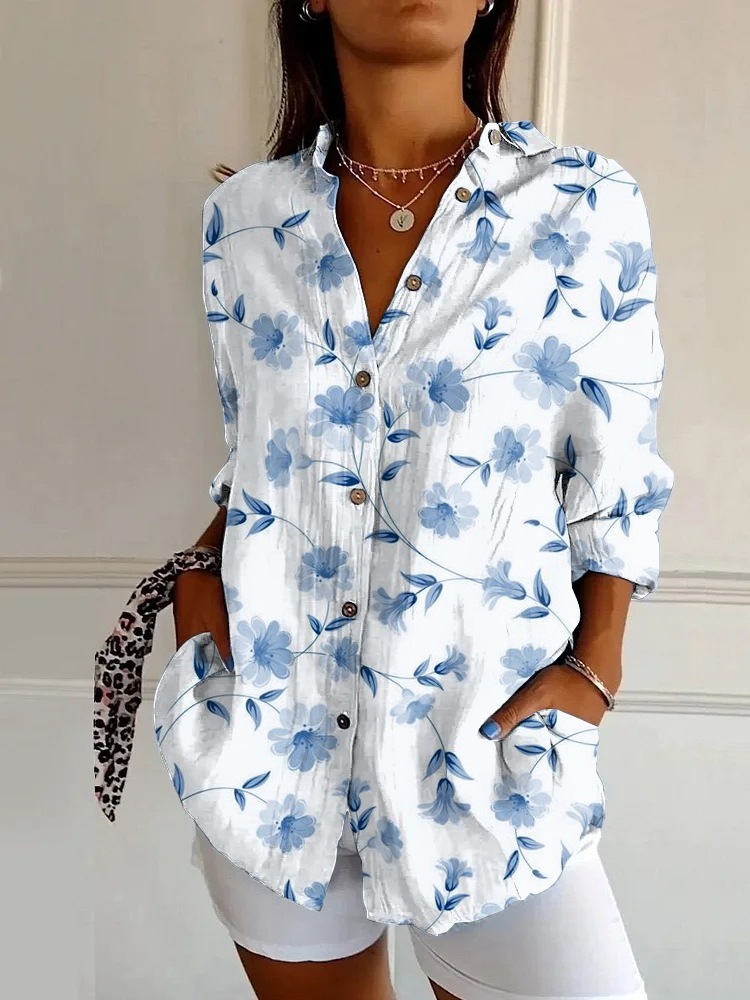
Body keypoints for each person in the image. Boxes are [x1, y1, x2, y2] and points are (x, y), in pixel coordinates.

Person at [167, 1, 674, 998]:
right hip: (273, 748)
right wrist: (199, 590)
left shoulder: (582, 204)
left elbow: (615, 474)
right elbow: (255, 456)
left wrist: (598, 666)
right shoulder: (244, 223)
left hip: (485, 758)